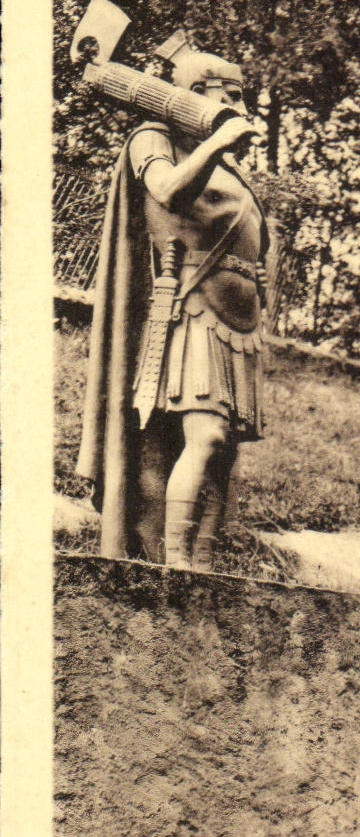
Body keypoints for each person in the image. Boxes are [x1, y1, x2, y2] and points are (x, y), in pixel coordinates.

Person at [76, 47, 269, 568]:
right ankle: (177, 565)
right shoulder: (153, 137)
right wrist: (217, 142)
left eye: (240, 96)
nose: (236, 105)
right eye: (223, 94)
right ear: (192, 94)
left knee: (223, 449)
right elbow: (166, 190)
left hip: (238, 323)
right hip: (191, 309)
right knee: (204, 435)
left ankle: (203, 566)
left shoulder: (227, 164)